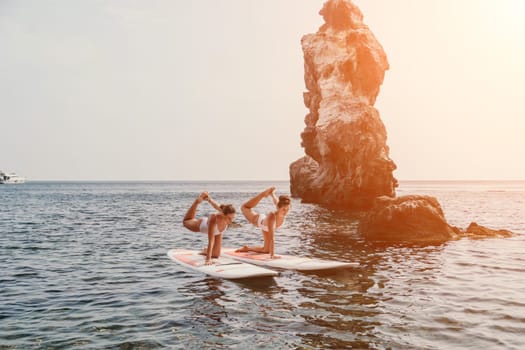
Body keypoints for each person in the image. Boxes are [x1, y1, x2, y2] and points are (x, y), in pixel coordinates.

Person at [183, 192, 236, 265]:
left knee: (216, 255)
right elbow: (211, 241)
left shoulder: (224, 212)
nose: (231, 221)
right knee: (186, 221)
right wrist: (208, 259)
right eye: (229, 218)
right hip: (196, 225)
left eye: (233, 218)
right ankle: (197, 202)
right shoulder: (214, 218)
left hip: (217, 230)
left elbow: (217, 206)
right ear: (223, 215)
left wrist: (209, 199)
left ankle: (204, 250)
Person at [236, 187, 291, 258]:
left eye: (288, 209)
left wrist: (273, 194)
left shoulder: (281, 209)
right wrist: (272, 255)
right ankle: (262, 195)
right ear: (278, 208)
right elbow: (272, 238)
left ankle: (247, 248)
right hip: (257, 220)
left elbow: (276, 202)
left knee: (266, 250)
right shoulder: (272, 216)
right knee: (244, 207)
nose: (286, 212)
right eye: (284, 209)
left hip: (265, 227)